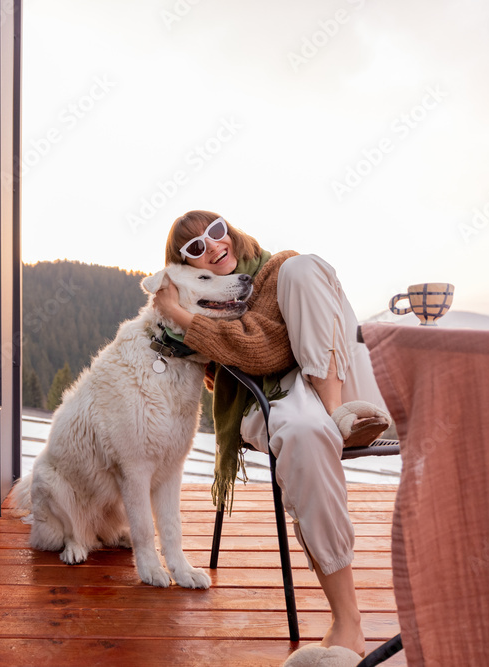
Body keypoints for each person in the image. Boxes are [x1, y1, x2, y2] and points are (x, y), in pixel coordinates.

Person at [152, 210, 390, 656]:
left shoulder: (281, 268)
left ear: (232, 232)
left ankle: (338, 413)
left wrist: (181, 316)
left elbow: (268, 346)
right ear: (188, 267)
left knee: (305, 266)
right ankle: (348, 617)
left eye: (217, 231)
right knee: (302, 432)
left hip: (341, 377)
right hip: (272, 399)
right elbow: (258, 353)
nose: (214, 245)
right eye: (196, 248)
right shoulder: (207, 305)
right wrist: (185, 316)